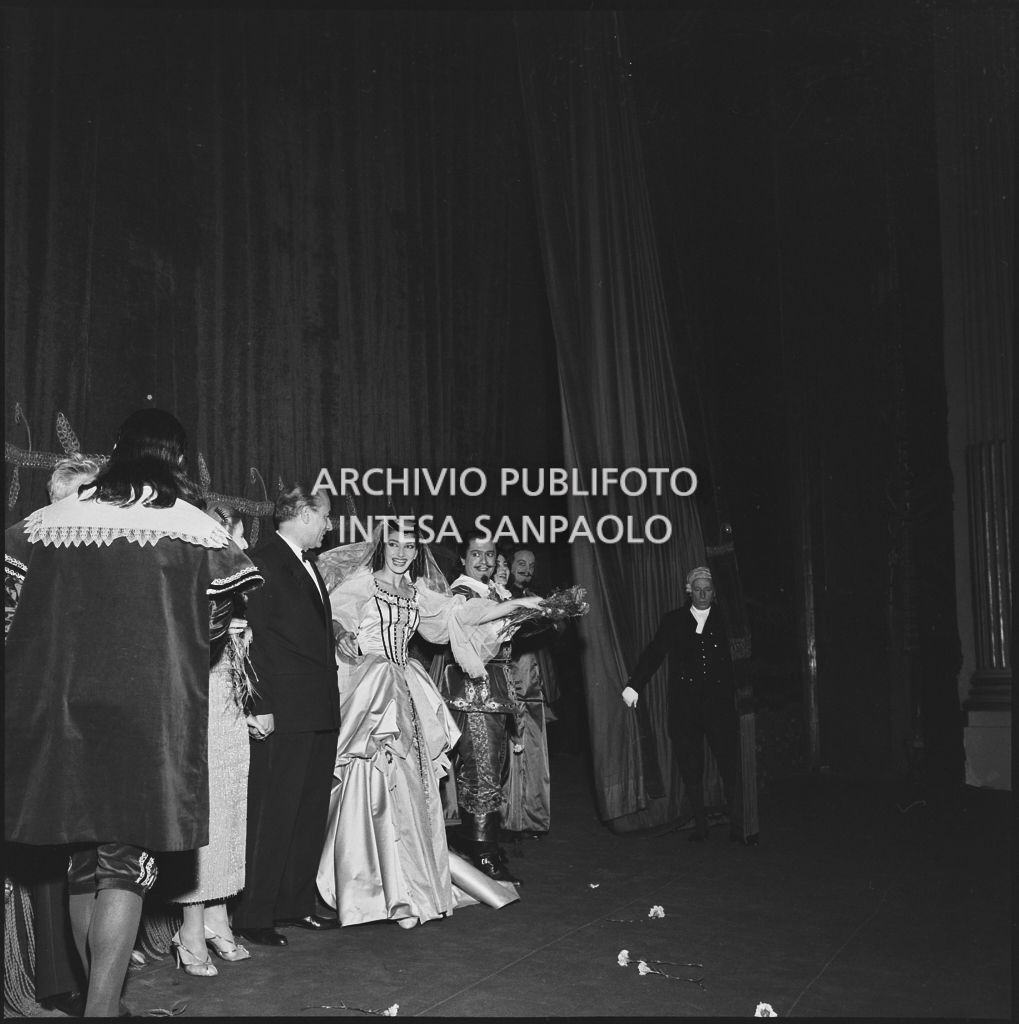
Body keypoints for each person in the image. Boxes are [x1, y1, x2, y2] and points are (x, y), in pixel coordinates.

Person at [4, 409, 262, 1017]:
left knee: (80, 863)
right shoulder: (193, 528)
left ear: (117, 448)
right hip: (146, 714)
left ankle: (103, 1006)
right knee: (125, 865)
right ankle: (101, 1012)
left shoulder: (48, 522)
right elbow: (217, 622)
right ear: (175, 458)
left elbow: (12, 606)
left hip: (65, 715)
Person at [315, 520, 538, 928]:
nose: (401, 552)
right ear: (382, 545)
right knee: (373, 788)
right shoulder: (364, 583)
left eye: (410, 546)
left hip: (406, 691)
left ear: (418, 551)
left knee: (414, 788)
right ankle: (372, 891)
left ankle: (408, 887)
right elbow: (331, 614)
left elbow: (461, 617)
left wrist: (517, 606)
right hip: (373, 690)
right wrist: (339, 632)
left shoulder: (417, 592)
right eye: (394, 544)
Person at [231, 484, 341, 947]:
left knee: (308, 811)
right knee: (273, 814)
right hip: (284, 711)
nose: (330, 525)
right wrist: (260, 706)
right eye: (325, 516)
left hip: (316, 708)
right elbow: (250, 639)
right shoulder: (263, 560)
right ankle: (255, 915)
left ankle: (294, 905)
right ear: (300, 514)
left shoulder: (307, 563)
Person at [20, 457, 102, 1016]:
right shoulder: (30, 548)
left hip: (87, 722)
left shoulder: (88, 555)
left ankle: (89, 982)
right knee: (61, 865)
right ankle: (64, 982)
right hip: (46, 725)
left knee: (86, 863)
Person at [164, 506, 262, 976]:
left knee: (229, 810)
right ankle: (189, 926)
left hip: (228, 701)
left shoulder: (232, 584)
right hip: (195, 701)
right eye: (232, 538)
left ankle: (218, 916)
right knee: (200, 813)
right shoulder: (185, 575)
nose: (239, 548)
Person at [440, 528, 540, 885]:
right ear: (463, 559)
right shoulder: (463, 592)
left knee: (491, 770)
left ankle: (480, 843)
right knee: (482, 770)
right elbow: (474, 630)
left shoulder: (491, 591)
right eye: (475, 554)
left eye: (489, 554)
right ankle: (481, 853)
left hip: (495, 690)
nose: (483, 560)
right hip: (473, 693)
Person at [621, 566, 744, 843]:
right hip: (685, 707)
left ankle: (738, 825)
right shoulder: (674, 620)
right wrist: (634, 685)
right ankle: (701, 825)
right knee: (690, 765)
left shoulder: (726, 620)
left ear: (714, 592)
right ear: (689, 591)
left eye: (707, 589)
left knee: (728, 762)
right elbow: (654, 653)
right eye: (697, 589)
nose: (702, 594)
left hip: (719, 705)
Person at [501, 546, 559, 838]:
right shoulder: (502, 596)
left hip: (533, 688)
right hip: (510, 687)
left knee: (534, 753)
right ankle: (508, 820)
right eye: (520, 563)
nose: (526, 568)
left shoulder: (536, 599)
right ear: (509, 565)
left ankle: (531, 819)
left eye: (531, 565)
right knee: (509, 756)